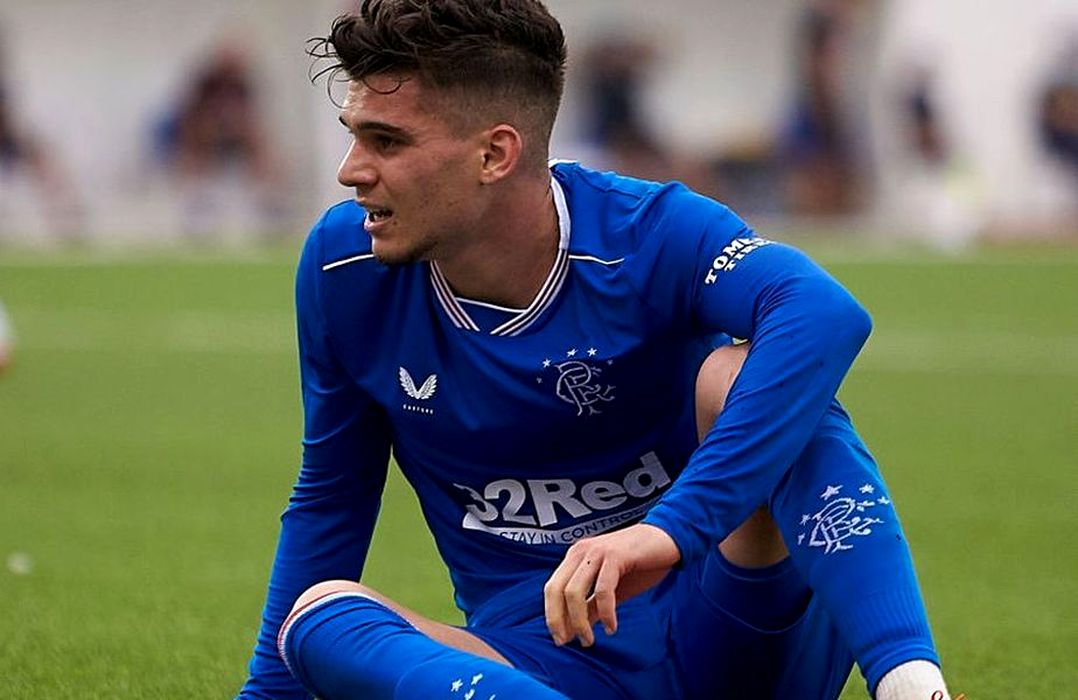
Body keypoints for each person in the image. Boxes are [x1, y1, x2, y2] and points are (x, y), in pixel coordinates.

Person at [238, 2, 955, 698]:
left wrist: (669, 531)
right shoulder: (344, 267)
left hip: (734, 624)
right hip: (543, 657)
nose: (351, 170)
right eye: (355, 136)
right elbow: (332, 495)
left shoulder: (646, 232)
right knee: (320, 618)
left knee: (741, 375)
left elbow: (823, 310)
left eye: (387, 142)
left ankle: (911, 686)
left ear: (494, 153)